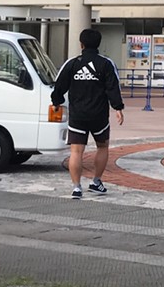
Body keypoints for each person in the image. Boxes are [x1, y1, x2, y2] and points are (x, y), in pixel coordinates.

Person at [51, 28, 126, 199]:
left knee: (76, 151)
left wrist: (56, 102)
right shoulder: (106, 64)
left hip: (78, 115)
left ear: (81, 44)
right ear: (99, 44)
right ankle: (96, 182)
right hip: (99, 115)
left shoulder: (72, 63)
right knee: (102, 147)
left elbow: (59, 86)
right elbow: (113, 87)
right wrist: (118, 108)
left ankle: (76, 188)